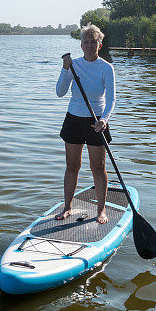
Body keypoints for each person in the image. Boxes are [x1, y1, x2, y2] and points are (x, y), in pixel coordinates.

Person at [55, 24, 116, 224]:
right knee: (72, 166)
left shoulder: (107, 68)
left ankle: (101, 211)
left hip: (96, 121)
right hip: (74, 118)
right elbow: (60, 92)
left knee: (98, 167)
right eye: (86, 42)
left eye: (94, 42)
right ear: (81, 45)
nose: (90, 45)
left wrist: (104, 120)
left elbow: (112, 99)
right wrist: (65, 70)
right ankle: (67, 208)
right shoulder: (74, 65)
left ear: (100, 44)